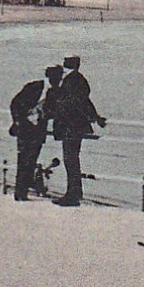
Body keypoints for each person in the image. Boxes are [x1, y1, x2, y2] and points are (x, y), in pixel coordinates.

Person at [52, 55, 105, 206]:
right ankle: (75, 193)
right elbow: (85, 101)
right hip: (75, 126)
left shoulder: (71, 81)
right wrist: (94, 117)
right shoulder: (79, 79)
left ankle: (72, 195)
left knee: (70, 160)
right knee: (72, 160)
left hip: (71, 126)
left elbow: (73, 103)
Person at [9, 79, 49, 202]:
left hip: (28, 133)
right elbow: (16, 104)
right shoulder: (38, 89)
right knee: (27, 162)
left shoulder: (33, 91)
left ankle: (21, 191)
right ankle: (22, 191)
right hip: (30, 132)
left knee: (25, 163)